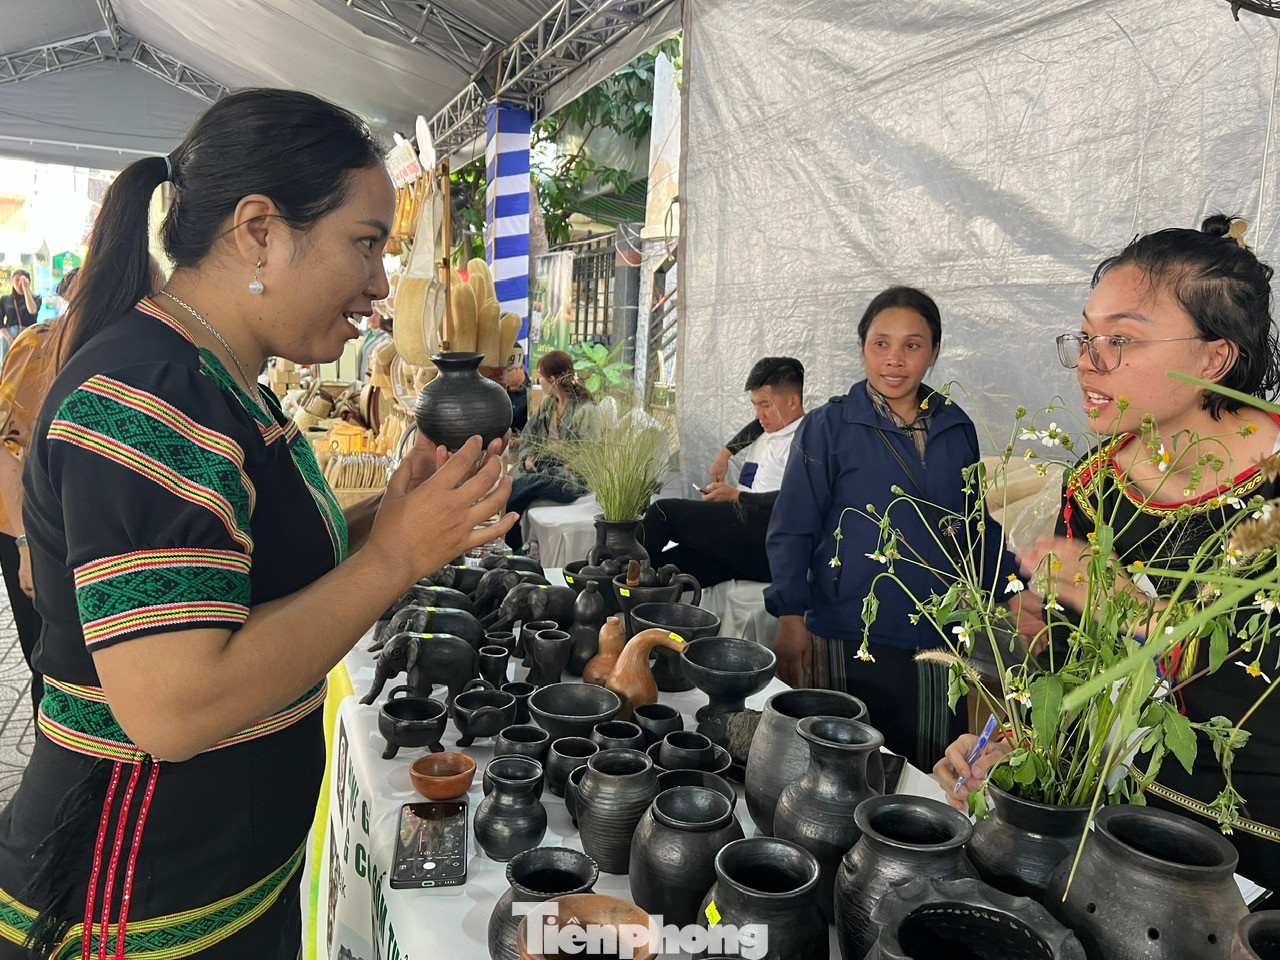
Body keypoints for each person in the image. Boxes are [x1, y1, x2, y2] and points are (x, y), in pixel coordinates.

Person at [0, 88, 515, 959]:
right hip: (134, 907)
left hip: (221, 886)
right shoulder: (148, 404)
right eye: (363, 245)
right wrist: (393, 556)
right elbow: (175, 705)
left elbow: (243, 571)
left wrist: (388, 514)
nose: (380, 285)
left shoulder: (219, 380)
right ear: (259, 230)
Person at [936, 216, 1280, 889]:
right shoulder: (1097, 485)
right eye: (1087, 336)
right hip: (1110, 824)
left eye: (1121, 340)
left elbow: (1252, 689)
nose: (1089, 361)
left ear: (1215, 357)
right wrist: (1018, 739)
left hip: (1252, 856)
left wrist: (1128, 607)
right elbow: (1068, 661)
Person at [765, 287, 1022, 769]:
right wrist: (789, 616)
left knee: (926, 767)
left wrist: (1015, 590)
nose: (895, 360)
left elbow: (972, 526)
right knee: (844, 765)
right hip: (851, 626)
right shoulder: (828, 426)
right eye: (880, 343)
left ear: (935, 352)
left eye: (912, 344)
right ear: (862, 347)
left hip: (937, 632)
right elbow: (793, 524)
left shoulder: (955, 426)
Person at [640, 356, 805, 586]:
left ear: (793, 402)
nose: (759, 414)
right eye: (754, 405)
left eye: (765, 405)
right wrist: (724, 455)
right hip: (743, 541)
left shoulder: (806, 441)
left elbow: (794, 501)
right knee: (664, 571)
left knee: (663, 513)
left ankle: (606, 573)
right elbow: (755, 427)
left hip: (770, 543)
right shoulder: (769, 428)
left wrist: (735, 496)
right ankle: (601, 599)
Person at [0, 273, 77, 718]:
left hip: (67, 524)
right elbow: (7, 449)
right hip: (23, 524)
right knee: (47, 660)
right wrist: (26, 545)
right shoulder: (40, 344)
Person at [504, 349, 597, 551]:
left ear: (553, 379)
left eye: (541, 377)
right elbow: (530, 435)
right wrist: (528, 456)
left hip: (571, 478)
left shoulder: (585, 410)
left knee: (523, 489)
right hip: (546, 467)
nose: (539, 382)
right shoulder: (549, 404)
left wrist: (567, 465)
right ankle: (514, 546)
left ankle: (513, 549)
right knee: (514, 486)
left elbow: (592, 453)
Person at [1, 270, 41, 362]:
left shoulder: (36, 298)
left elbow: (32, 311)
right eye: (17, 280)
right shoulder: (5, 299)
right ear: (12, 282)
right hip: (9, 335)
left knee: (28, 365)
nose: (19, 284)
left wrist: (26, 288)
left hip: (29, 335)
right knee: (8, 365)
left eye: (22, 280)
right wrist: (9, 338)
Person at [355, 307, 390, 382]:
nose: (372, 317)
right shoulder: (368, 335)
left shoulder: (386, 337)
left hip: (374, 381)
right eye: (371, 314)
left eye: (376, 314)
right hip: (363, 380)